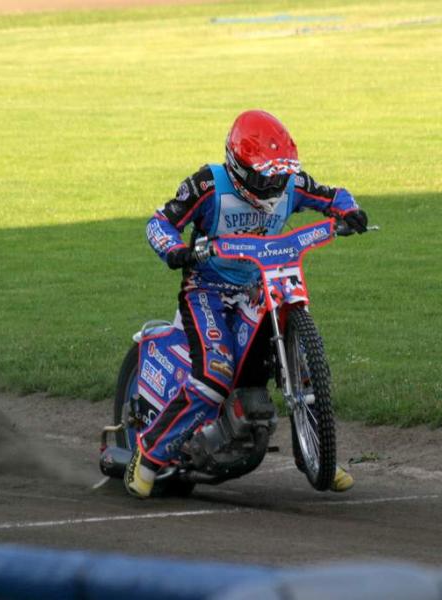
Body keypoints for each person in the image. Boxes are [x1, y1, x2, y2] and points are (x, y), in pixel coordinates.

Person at [126, 109, 368, 498]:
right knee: (214, 378)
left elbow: (333, 195)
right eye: (264, 176)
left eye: (280, 175)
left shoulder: (291, 183)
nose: (274, 185)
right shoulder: (208, 184)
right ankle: (149, 453)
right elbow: (160, 222)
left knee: (302, 367)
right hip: (206, 289)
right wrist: (173, 249)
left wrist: (349, 211)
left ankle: (317, 454)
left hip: (260, 285)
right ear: (238, 168)